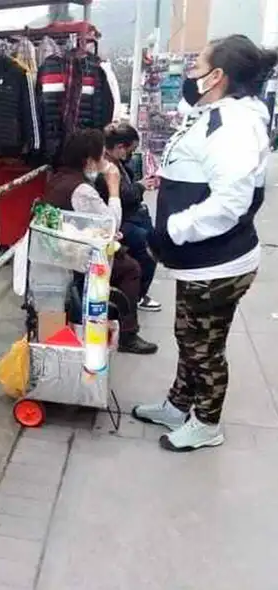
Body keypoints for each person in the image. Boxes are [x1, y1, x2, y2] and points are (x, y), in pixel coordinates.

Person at [132, 35, 277, 452]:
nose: (190, 73)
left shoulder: (231, 124)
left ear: (217, 76)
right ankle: (179, 405)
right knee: (188, 336)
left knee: (204, 347)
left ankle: (207, 423)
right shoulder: (218, 112)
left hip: (216, 263)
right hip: (201, 262)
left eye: (197, 64)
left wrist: (172, 230)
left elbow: (230, 202)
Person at [42, 129, 159, 355]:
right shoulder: (82, 189)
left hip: (56, 252)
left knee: (127, 249)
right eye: (100, 158)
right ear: (88, 160)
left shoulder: (59, 179)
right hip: (74, 258)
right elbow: (111, 223)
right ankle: (127, 333)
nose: (103, 163)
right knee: (131, 268)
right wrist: (113, 186)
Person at [98, 123, 162, 312]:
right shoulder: (108, 168)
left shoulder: (117, 163)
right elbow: (123, 195)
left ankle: (137, 292)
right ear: (119, 148)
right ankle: (138, 294)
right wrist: (141, 186)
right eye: (130, 150)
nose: (131, 155)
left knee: (152, 241)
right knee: (147, 247)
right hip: (119, 221)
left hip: (129, 215)